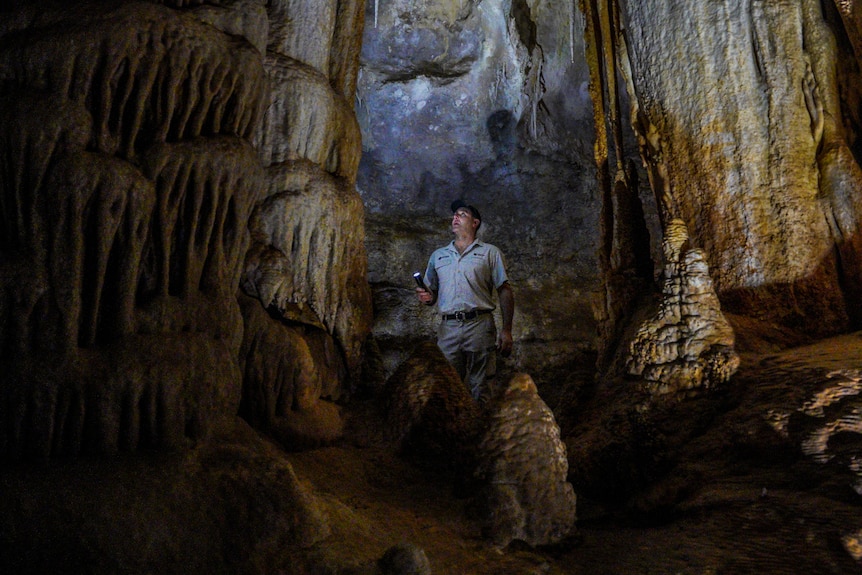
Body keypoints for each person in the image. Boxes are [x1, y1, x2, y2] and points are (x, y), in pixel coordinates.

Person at [416, 199, 514, 402]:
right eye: (454, 215)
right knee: (446, 384)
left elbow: (504, 290)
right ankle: (453, 430)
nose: (455, 218)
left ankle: (481, 427)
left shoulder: (490, 253)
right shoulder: (439, 256)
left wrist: (507, 330)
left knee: (482, 383)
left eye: (462, 214)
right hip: (448, 327)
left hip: (479, 324)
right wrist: (426, 297)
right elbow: (430, 296)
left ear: (475, 223)